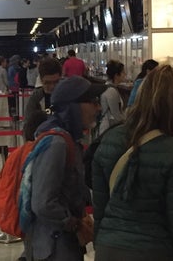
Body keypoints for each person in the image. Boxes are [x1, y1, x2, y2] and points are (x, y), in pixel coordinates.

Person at [92, 65, 173, 261]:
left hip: (108, 247)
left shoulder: (110, 139)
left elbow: (100, 207)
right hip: (154, 250)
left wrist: (101, 241)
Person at [22, 76, 107, 261]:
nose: (98, 108)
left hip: (64, 244)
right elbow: (42, 203)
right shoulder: (56, 143)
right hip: (53, 248)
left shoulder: (69, 140)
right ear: (73, 106)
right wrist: (71, 222)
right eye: (92, 102)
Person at [24, 58, 62, 126]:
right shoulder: (36, 98)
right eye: (47, 83)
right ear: (41, 80)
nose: (52, 86)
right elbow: (27, 127)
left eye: (56, 82)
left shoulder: (68, 96)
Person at [98, 60, 126, 134]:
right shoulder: (111, 91)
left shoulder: (108, 88)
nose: (125, 74)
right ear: (116, 75)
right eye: (123, 72)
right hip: (107, 129)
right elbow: (116, 115)